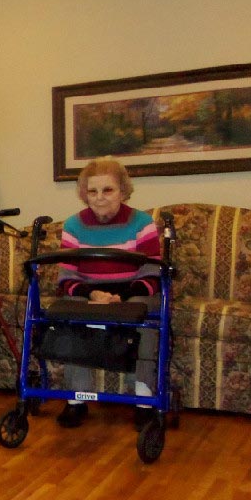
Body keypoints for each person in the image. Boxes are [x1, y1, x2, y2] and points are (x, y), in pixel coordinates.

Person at [55, 157, 161, 428]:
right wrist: (93, 295)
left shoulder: (142, 223)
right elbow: (67, 276)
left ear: (122, 191)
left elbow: (152, 274)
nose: (99, 197)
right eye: (92, 191)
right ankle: (76, 399)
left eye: (108, 190)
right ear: (84, 194)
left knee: (143, 310)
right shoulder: (73, 226)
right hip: (90, 292)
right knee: (70, 307)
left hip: (132, 292)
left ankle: (143, 399)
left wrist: (121, 297)